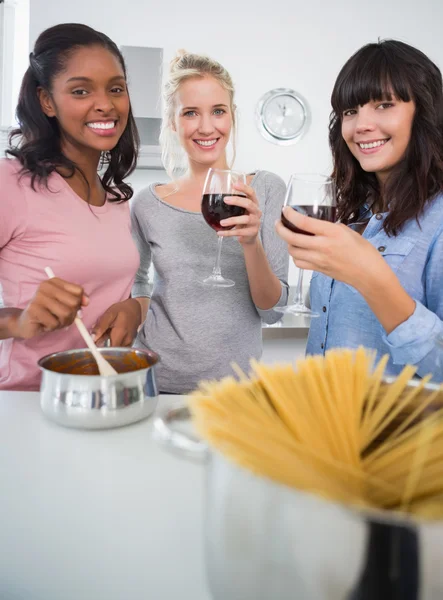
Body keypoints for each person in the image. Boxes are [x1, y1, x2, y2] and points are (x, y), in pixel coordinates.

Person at [122, 50, 289, 393]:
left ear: (232, 116)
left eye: (217, 111)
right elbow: (139, 282)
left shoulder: (266, 189)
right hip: (157, 381)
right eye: (190, 113)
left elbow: (274, 311)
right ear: (172, 120)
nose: (206, 127)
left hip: (236, 390)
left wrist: (250, 242)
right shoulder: (147, 203)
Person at [276, 39, 443, 380]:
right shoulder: (353, 213)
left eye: (383, 105)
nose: (361, 125)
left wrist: (371, 277)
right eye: (350, 111)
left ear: (424, 112)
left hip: (398, 431)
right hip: (324, 422)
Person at [0, 23, 142, 390]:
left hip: (106, 395)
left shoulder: (116, 200)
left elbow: (111, 290)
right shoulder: (10, 183)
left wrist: (131, 308)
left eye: (116, 88)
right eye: (81, 90)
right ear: (47, 101)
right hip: (30, 403)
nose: (105, 104)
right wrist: (18, 321)